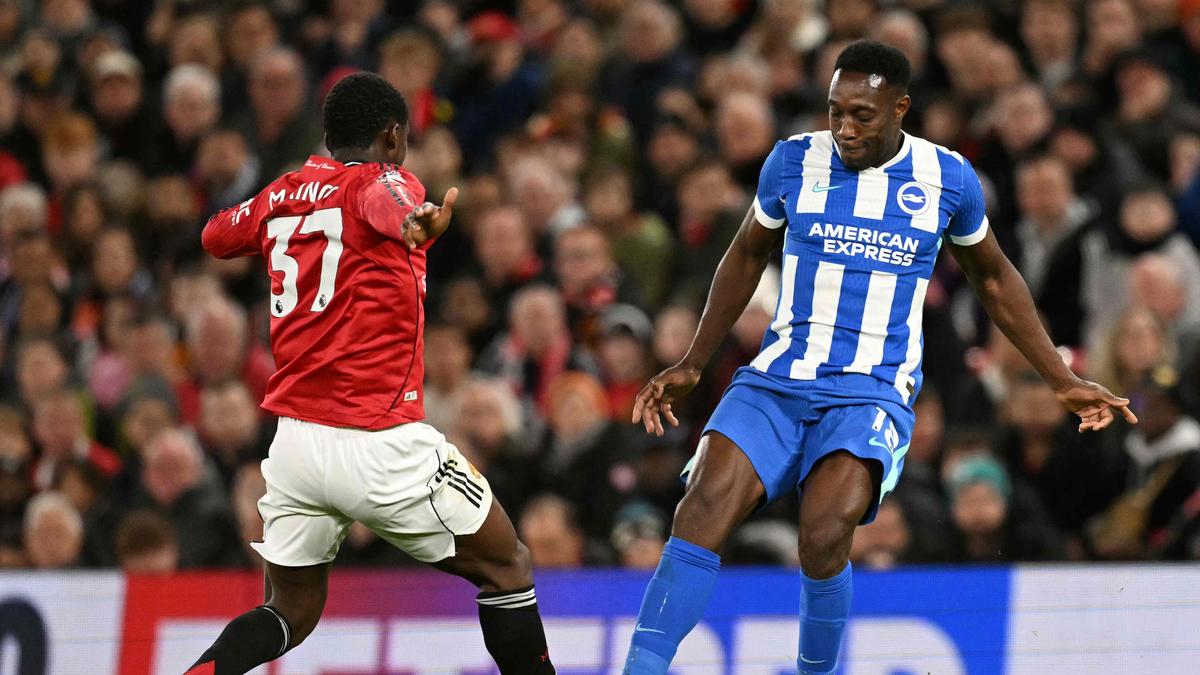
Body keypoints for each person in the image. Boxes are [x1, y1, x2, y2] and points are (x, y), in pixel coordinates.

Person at [622, 41, 1137, 674]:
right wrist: (695, 360)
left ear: (900, 108)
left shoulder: (948, 179)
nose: (844, 127)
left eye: (862, 114)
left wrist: (1061, 379)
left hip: (872, 390)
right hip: (779, 379)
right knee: (699, 507)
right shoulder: (791, 163)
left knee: (824, 532)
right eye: (835, 110)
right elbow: (747, 254)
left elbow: (995, 280)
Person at [188, 73, 553, 674]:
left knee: (289, 612)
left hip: (296, 445)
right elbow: (391, 201)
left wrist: (283, 203)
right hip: (381, 438)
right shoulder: (386, 179)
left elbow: (214, 235)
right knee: (507, 563)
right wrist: (417, 221)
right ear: (392, 135)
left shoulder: (286, 191)